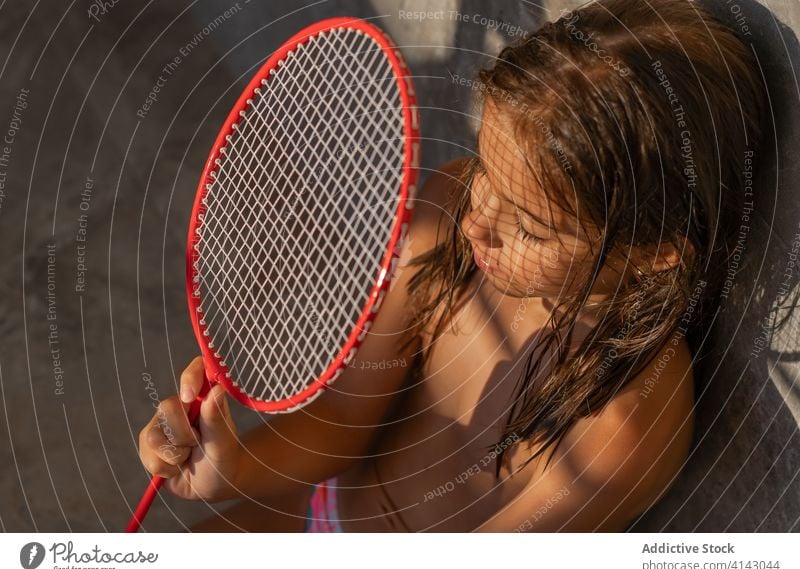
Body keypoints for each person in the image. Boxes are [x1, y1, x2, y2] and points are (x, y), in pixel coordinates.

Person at [137, 0, 766, 532]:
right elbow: (348, 417)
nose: (477, 221)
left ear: (655, 255)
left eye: (530, 226)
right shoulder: (451, 203)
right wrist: (236, 469)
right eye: (485, 168)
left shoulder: (623, 422)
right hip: (328, 513)